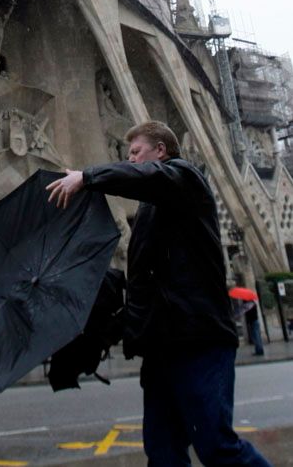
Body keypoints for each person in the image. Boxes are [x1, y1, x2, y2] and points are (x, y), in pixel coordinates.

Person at [47, 120, 273, 467]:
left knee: (217, 447)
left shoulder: (185, 179)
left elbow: (148, 178)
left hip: (199, 341)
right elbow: (147, 287)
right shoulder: (150, 212)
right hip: (162, 347)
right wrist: (96, 334)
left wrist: (87, 177)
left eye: (135, 152)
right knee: (163, 452)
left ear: (161, 151)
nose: (130, 159)